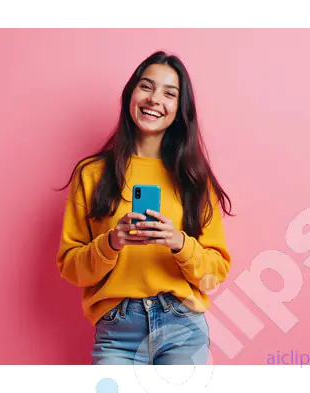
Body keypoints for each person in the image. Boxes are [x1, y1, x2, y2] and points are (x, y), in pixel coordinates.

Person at [55, 50, 233, 365]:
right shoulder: (92, 174)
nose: (154, 99)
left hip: (182, 326)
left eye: (169, 93)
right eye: (146, 87)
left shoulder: (193, 180)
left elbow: (214, 274)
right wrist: (111, 242)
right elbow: (71, 267)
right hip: (116, 331)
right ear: (131, 95)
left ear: (179, 109)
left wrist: (179, 243)